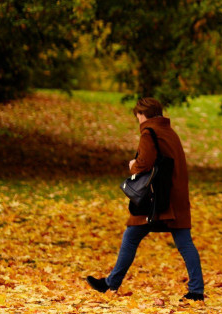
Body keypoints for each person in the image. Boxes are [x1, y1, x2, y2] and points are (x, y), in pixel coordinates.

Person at [86, 98, 204, 300]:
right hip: (174, 195)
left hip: (157, 199)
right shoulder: (169, 131)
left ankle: (111, 283)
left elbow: (144, 164)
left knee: (132, 236)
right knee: (183, 242)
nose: (138, 120)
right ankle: (196, 291)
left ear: (143, 114)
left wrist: (132, 164)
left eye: (138, 116)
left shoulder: (149, 132)